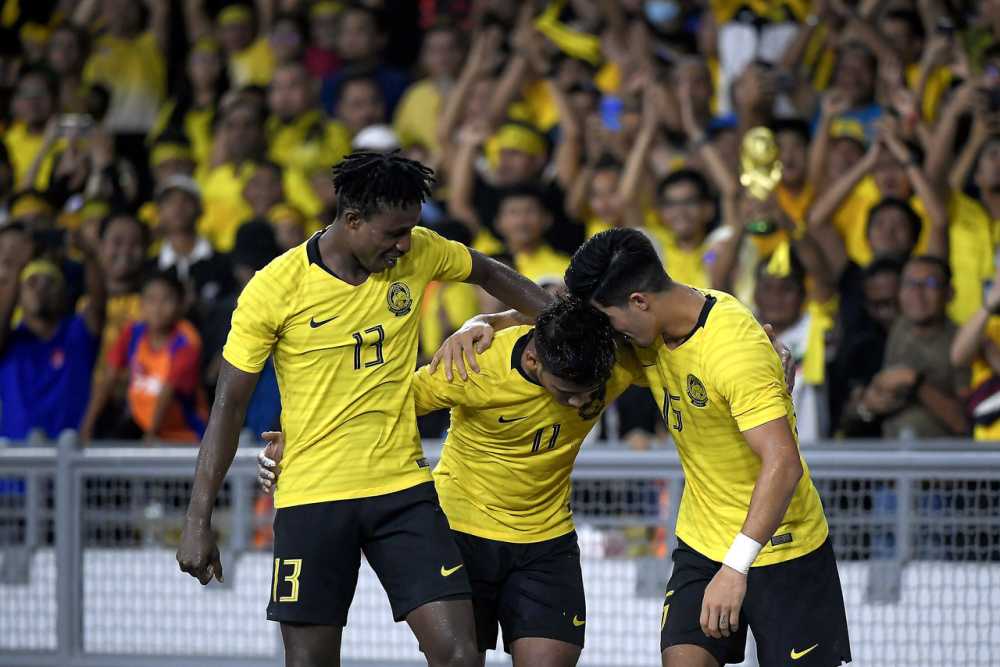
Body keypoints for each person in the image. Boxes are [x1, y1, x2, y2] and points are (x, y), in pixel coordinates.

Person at [176, 152, 553, 667]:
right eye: (393, 233)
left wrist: (557, 320)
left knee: (461, 654)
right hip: (313, 497)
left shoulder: (419, 251)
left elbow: (486, 270)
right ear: (351, 221)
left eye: (411, 231)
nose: (404, 245)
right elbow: (228, 405)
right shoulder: (274, 288)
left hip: (402, 490)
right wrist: (198, 518)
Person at [563, 228, 850, 667]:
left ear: (639, 301)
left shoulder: (734, 348)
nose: (610, 332)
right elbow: (552, 316)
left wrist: (736, 568)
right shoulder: (649, 333)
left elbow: (783, 464)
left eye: (611, 319)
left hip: (782, 546)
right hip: (702, 542)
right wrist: (486, 321)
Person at [0, 232, 106, 440]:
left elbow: (98, 305)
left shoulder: (78, 333)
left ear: (65, 294)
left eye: (50, 283)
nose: (41, 290)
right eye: (32, 283)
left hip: (70, 461)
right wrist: (16, 270)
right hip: (15, 462)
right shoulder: (10, 340)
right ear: (18, 295)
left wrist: (91, 257)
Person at [82, 271, 208, 443]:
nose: (157, 307)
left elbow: (167, 391)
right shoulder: (133, 333)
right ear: (141, 305)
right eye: (151, 300)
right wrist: (87, 426)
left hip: (186, 435)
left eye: (166, 299)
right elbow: (108, 377)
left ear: (180, 305)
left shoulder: (187, 341)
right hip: (142, 426)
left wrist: (150, 435)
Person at [858, 256, 969, 439]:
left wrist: (914, 381)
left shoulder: (962, 341)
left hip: (944, 459)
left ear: (950, 293)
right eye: (910, 283)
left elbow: (963, 423)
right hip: (893, 453)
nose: (917, 292)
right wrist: (869, 403)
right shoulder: (898, 327)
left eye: (930, 283)